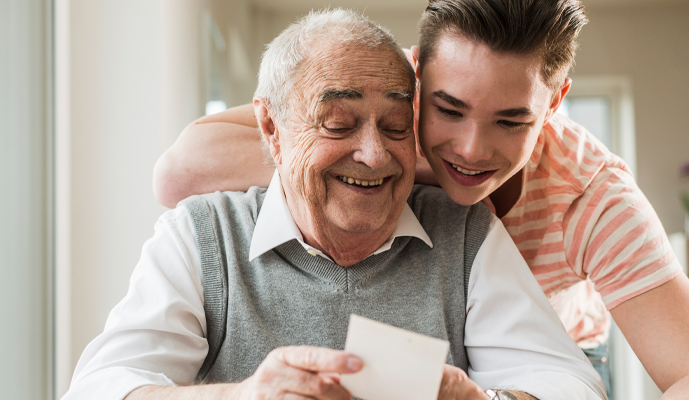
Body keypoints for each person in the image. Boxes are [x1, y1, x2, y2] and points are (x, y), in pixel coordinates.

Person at [153, 0, 689, 398]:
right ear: (416, 76)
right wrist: (374, 159)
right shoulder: (381, 121)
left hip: (540, 368)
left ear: (557, 99)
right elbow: (179, 173)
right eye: (448, 109)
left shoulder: (592, 199)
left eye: (511, 121)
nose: (470, 149)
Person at [63, 9, 606, 400]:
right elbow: (99, 387)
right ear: (272, 129)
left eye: (396, 128)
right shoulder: (201, 234)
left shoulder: (465, 232)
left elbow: (572, 385)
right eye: (338, 125)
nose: (374, 156)